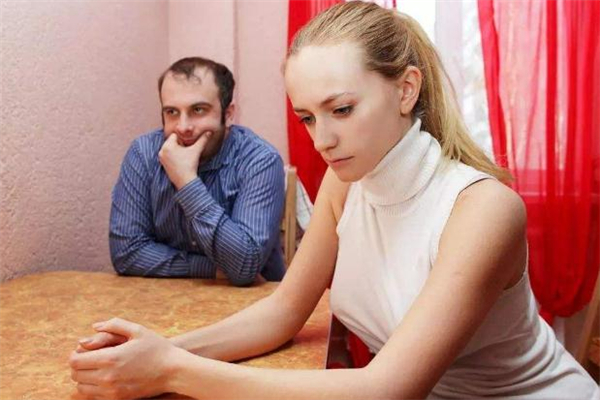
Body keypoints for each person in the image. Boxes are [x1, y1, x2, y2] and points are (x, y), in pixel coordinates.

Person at [70, 2, 599, 399]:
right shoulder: (345, 184)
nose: (321, 139)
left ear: (406, 90)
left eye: (341, 109)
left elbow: (387, 389)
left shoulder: (483, 209)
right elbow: (281, 313)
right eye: (307, 117)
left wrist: (170, 369)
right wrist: (156, 349)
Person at [109, 57, 286, 286]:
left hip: (252, 302)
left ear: (228, 113)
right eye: (172, 112)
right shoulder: (143, 153)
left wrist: (186, 181)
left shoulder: (260, 160)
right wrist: (209, 269)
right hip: (165, 299)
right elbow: (126, 252)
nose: (183, 127)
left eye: (198, 110)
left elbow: (245, 266)